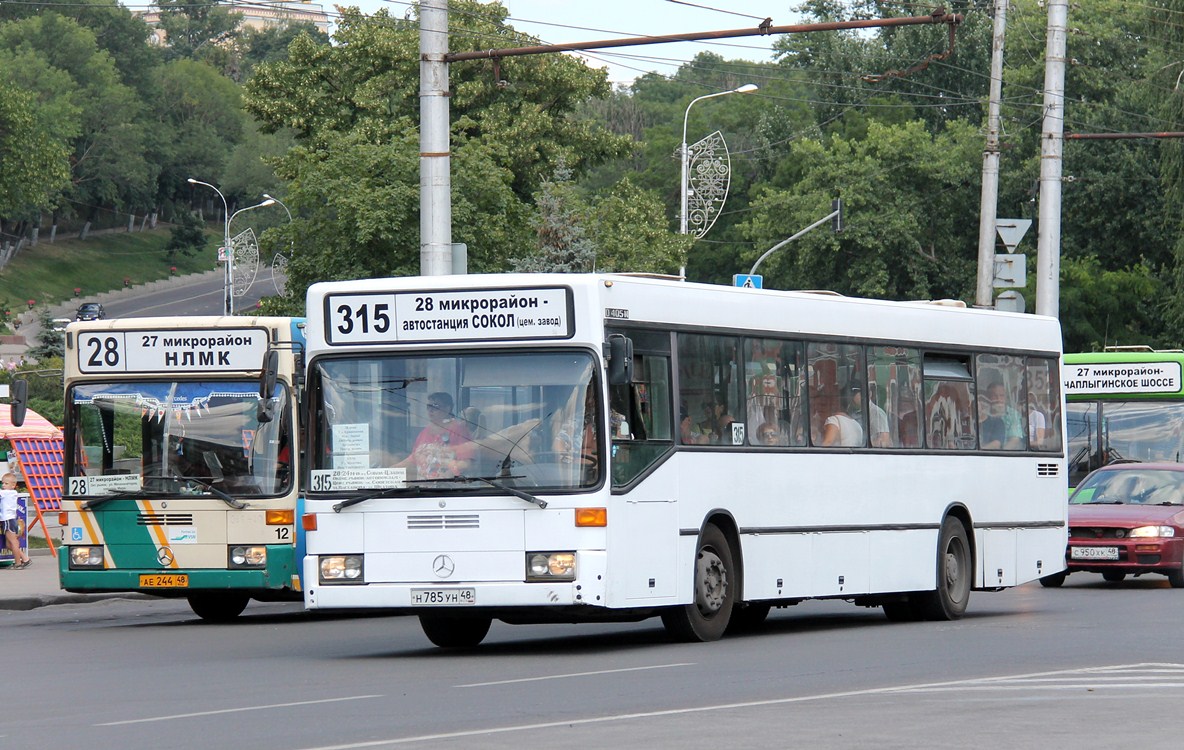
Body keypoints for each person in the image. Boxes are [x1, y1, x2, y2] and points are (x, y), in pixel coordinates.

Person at [395, 392, 473, 479]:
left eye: (435, 406)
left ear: (448, 408)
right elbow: (413, 458)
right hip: (423, 489)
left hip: (448, 489)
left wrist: (450, 473)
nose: (430, 410)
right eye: (428, 406)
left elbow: (466, 463)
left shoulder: (459, 430)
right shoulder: (424, 432)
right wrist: (391, 470)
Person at [980, 380, 1024, 450]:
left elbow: (1014, 440)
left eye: (1001, 396)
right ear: (988, 398)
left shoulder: (1013, 415)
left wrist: (1000, 455)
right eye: (994, 396)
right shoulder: (983, 413)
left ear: (1006, 398)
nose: (998, 399)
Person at [1, 472, 32, 570]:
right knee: (8, 544)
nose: (3, 485)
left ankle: (18, 563)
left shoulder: (6, 493)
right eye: (2, 483)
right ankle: (25, 558)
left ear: (13, 485)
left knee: (13, 542)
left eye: (6, 484)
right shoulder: (14, 493)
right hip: (12, 519)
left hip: (8, 520)